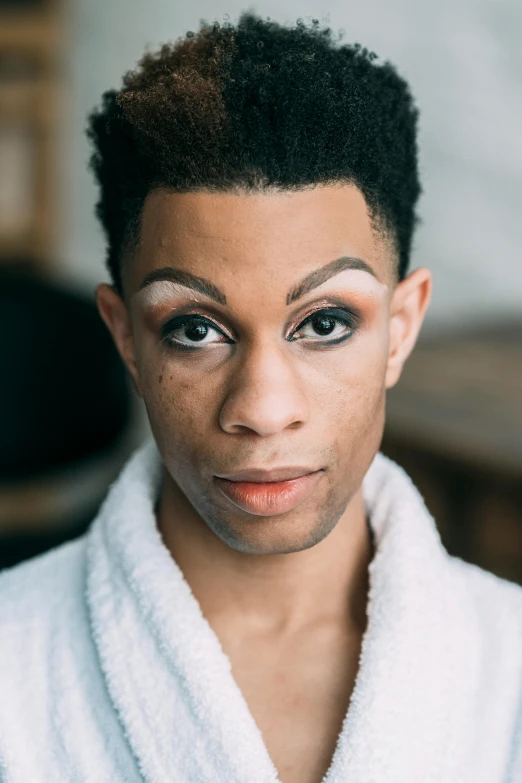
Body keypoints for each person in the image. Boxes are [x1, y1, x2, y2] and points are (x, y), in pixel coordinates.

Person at [1, 13, 521, 783]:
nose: (264, 408)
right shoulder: (13, 663)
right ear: (126, 340)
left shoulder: (507, 668)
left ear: (402, 328)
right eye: (194, 330)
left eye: (324, 322)